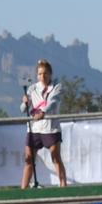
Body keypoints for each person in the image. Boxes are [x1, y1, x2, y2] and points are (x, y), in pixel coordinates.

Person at [22, 59, 68, 188]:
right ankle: (22, 192)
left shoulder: (57, 86)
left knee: (55, 157)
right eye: (40, 74)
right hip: (34, 128)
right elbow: (23, 109)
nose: (43, 76)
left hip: (50, 128)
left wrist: (43, 112)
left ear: (50, 74)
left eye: (45, 73)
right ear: (37, 75)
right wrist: (25, 102)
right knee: (28, 160)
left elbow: (54, 101)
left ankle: (63, 186)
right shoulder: (32, 88)